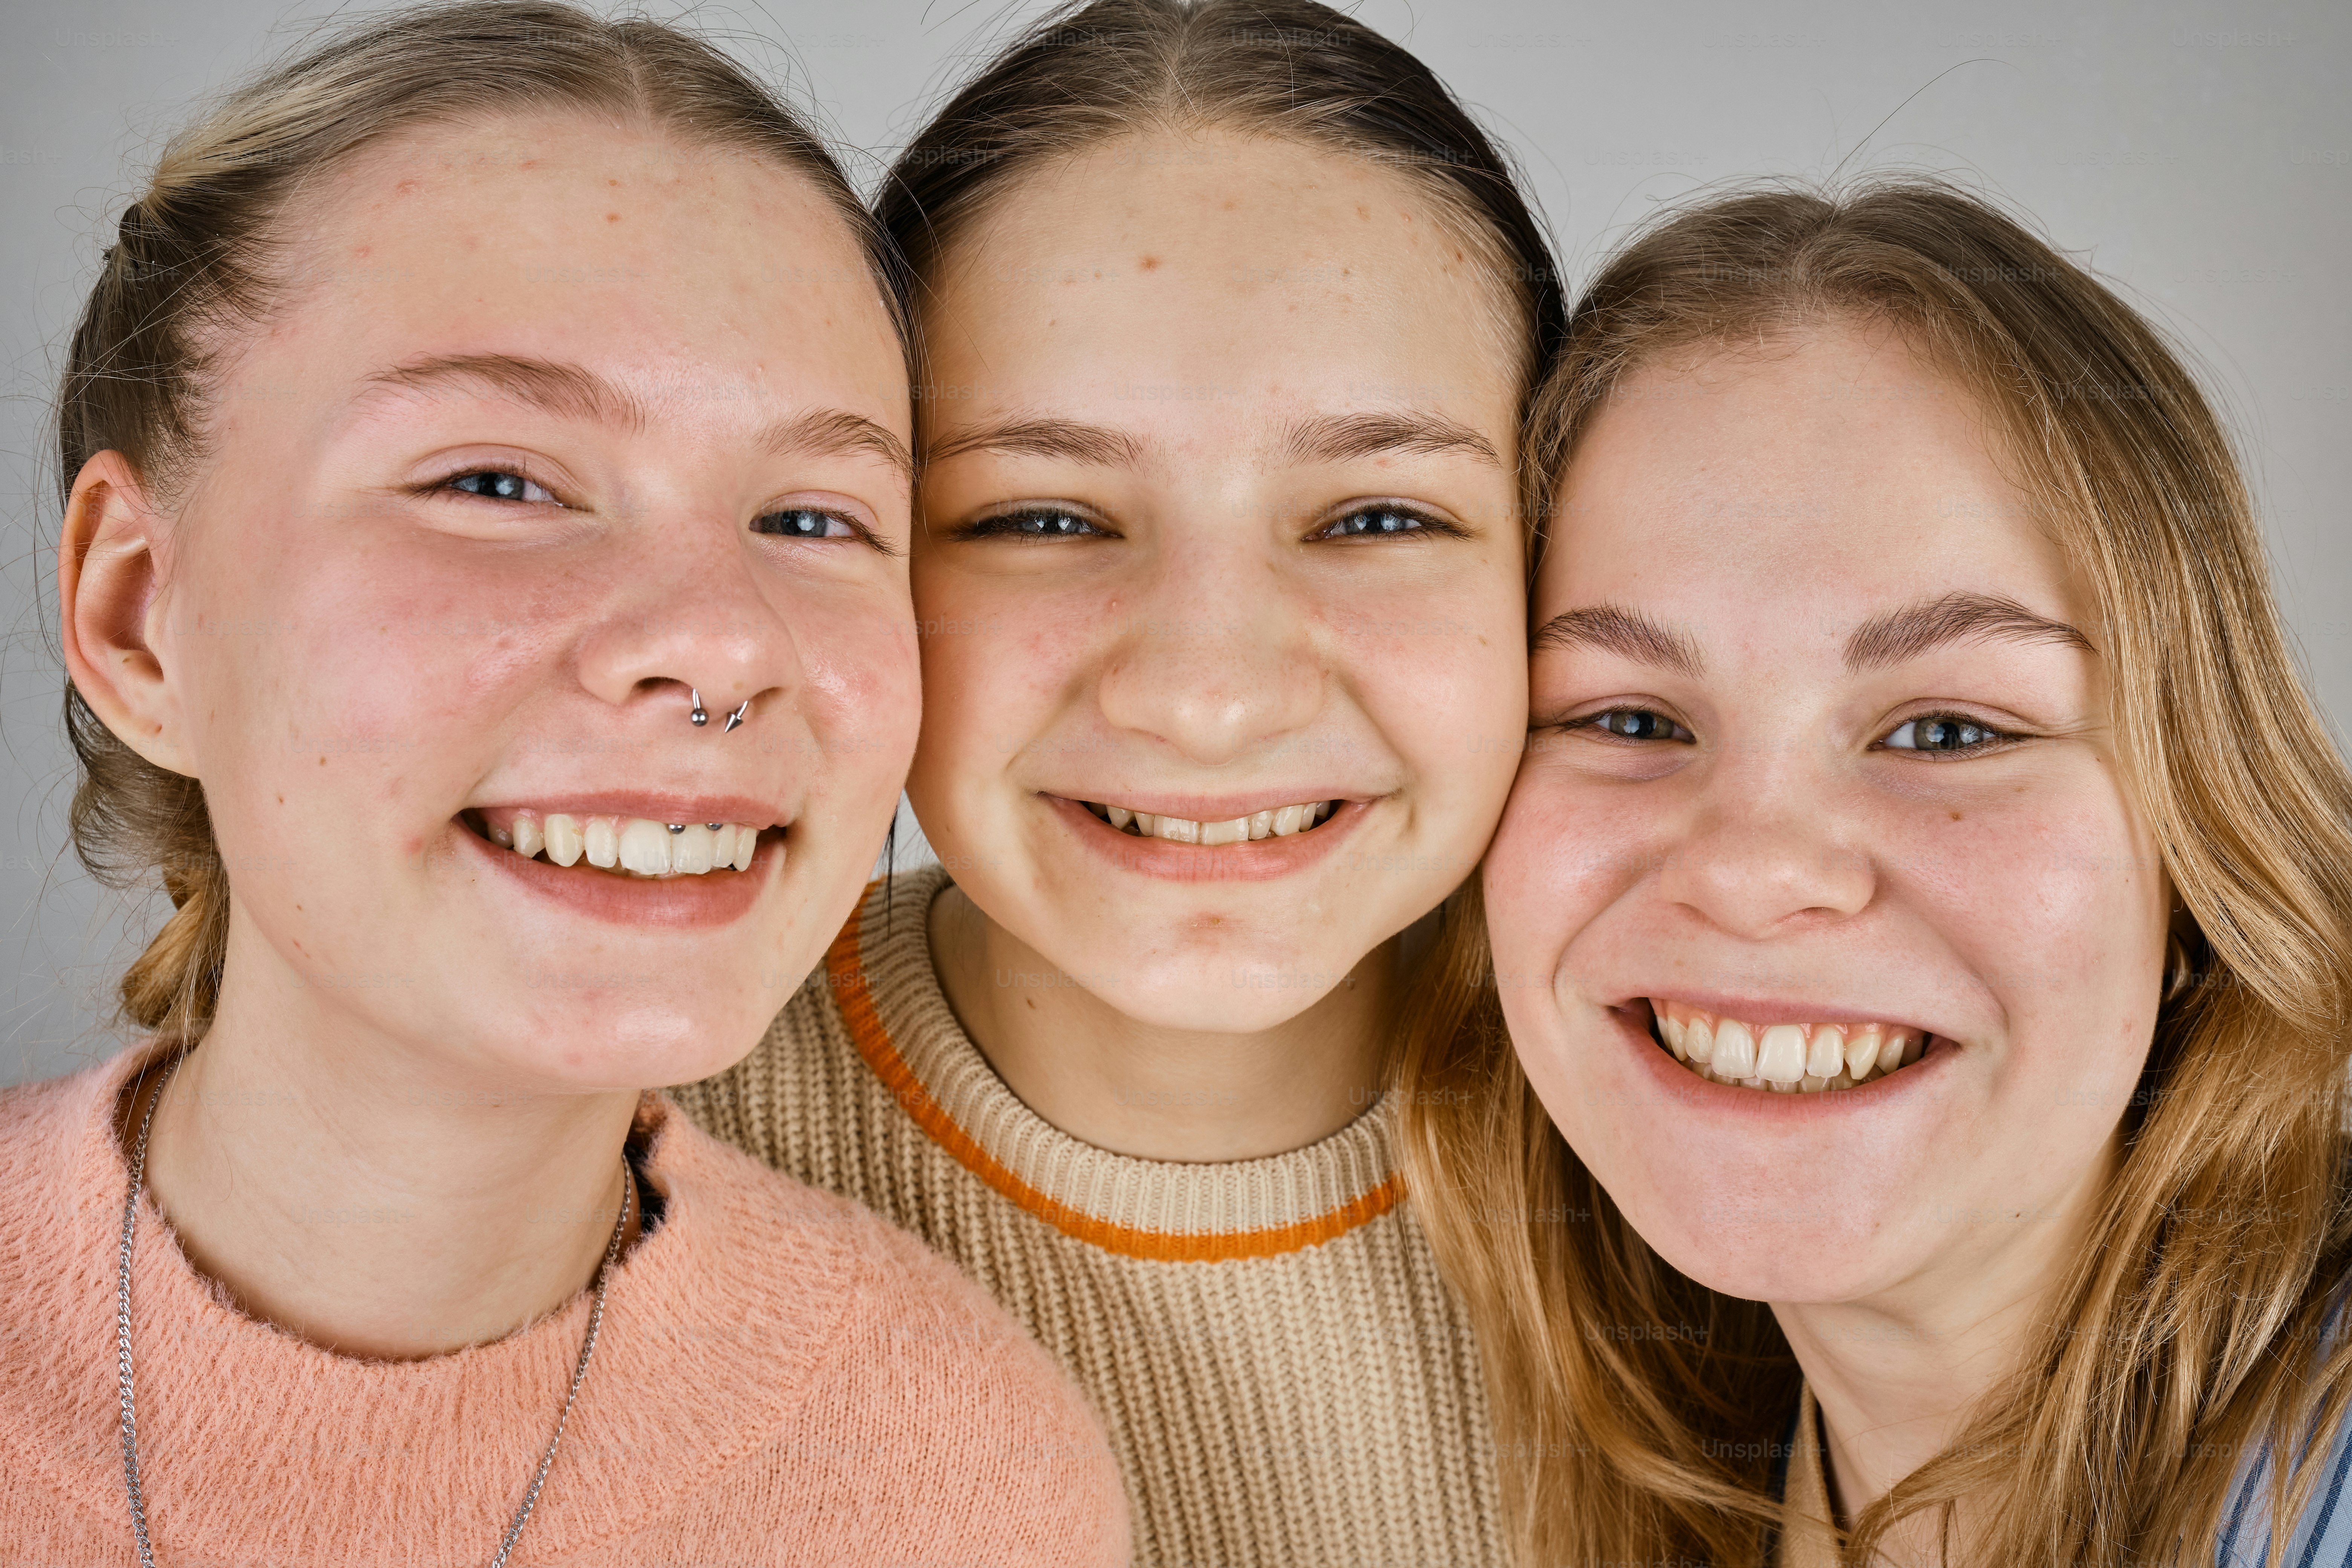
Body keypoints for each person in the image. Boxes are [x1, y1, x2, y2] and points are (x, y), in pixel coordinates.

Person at [0, 5, 1127, 1562]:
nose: (723, 640)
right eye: (496, 482)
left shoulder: (964, 1484)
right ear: (138, 615)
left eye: (814, 516)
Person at [670, 0, 1563, 1559]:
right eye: (1044, 517)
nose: (1209, 693)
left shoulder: (1718, 1168)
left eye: (1375, 519)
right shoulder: (607, 1148)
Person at [1400, 178, 2352, 1566]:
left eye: (1950, 730)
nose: (1754, 870)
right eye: (1631, 719)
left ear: (2198, 835)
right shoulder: (1644, 1467)